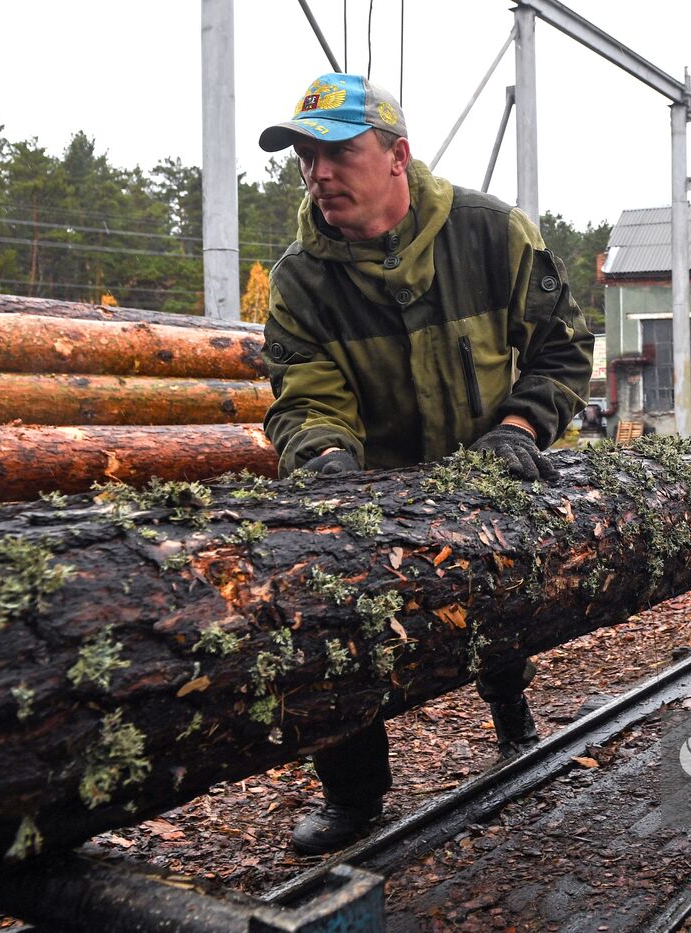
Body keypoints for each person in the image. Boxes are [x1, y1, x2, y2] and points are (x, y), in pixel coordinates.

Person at [256, 73, 593, 854]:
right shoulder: (302, 279)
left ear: (399, 154)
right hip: (373, 488)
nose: (318, 172)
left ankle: (510, 704)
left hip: (488, 465)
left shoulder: (492, 234)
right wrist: (328, 464)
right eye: (306, 156)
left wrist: (518, 427)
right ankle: (351, 794)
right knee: (329, 606)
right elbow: (304, 392)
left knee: (500, 603)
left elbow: (564, 347)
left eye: (338, 152)